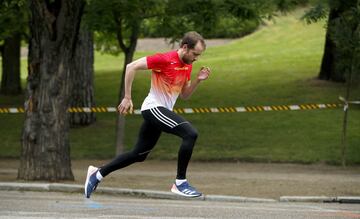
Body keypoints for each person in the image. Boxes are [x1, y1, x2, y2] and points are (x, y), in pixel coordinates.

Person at [84, 31, 211, 198]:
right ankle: (180, 182)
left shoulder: (188, 65)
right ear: (185, 47)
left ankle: (98, 174)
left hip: (161, 112)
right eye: (195, 54)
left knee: (139, 154)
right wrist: (127, 97)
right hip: (153, 108)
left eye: (199, 55)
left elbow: (185, 95)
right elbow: (131, 67)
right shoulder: (164, 59)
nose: (196, 58)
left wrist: (198, 80)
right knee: (190, 133)